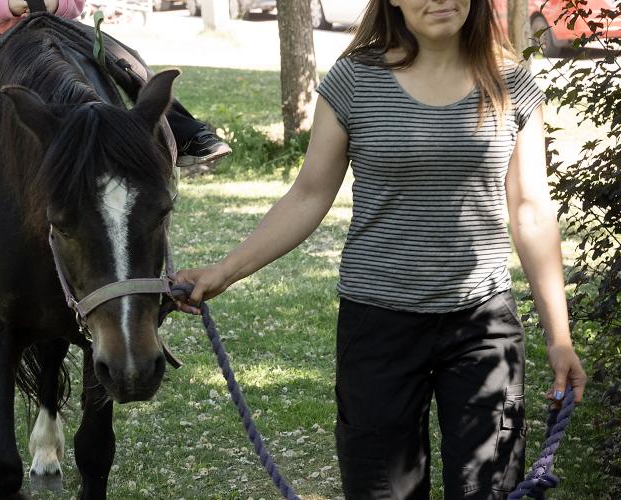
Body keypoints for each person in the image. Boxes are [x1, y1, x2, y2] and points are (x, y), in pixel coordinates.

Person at [174, 0, 587, 498]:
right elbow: (309, 195)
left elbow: (532, 211)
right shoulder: (354, 80)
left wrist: (559, 337)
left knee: (491, 489)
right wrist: (226, 270)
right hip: (377, 324)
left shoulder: (511, 82)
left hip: (483, 324)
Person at [0, 0, 230, 202]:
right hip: (4, 37)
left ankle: (186, 132)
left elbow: (76, 3)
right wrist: (9, 6)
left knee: (129, 62)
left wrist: (56, 3)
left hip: (64, 33)